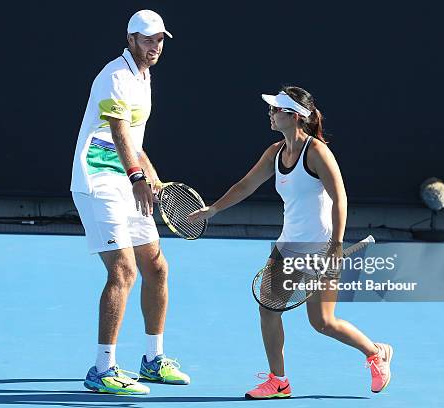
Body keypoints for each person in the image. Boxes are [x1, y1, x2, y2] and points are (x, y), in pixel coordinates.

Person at [188, 86, 393, 399]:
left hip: (320, 248)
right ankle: (279, 381)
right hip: (287, 247)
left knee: (323, 322)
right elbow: (245, 186)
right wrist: (212, 210)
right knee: (268, 310)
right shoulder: (274, 152)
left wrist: (335, 247)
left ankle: (375, 353)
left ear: (295, 116)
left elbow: (340, 198)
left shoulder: (318, 153)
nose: (270, 113)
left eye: (276, 109)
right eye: (271, 109)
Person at [70, 10, 189, 395]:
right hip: (99, 181)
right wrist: (138, 178)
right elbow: (119, 131)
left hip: (128, 179)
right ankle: (103, 369)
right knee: (123, 270)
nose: (155, 47)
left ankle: (153, 360)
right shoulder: (116, 76)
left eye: (160, 40)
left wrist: (150, 177)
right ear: (131, 39)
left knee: (156, 266)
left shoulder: (144, 77)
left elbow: (135, 141)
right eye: (148, 39)